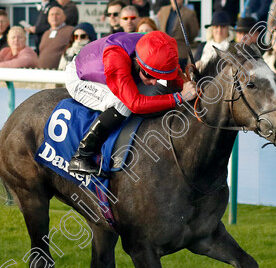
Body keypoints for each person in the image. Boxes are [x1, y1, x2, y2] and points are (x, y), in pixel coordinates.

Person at [64, 31, 197, 176]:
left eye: (158, 77)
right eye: (149, 75)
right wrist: (179, 97)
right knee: (123, 104)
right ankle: (82, 156)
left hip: (108, 66)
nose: (154, 81)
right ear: (138, 62)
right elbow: (135, 103)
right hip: (80, 77)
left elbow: (174, 73)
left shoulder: (156, 47)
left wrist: (188, 85)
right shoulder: (116, 57)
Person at [157, 0, 199, 66]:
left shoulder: (189, 13)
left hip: (180, 52)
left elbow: (194, 32)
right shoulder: (163, 10)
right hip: (163, 52)